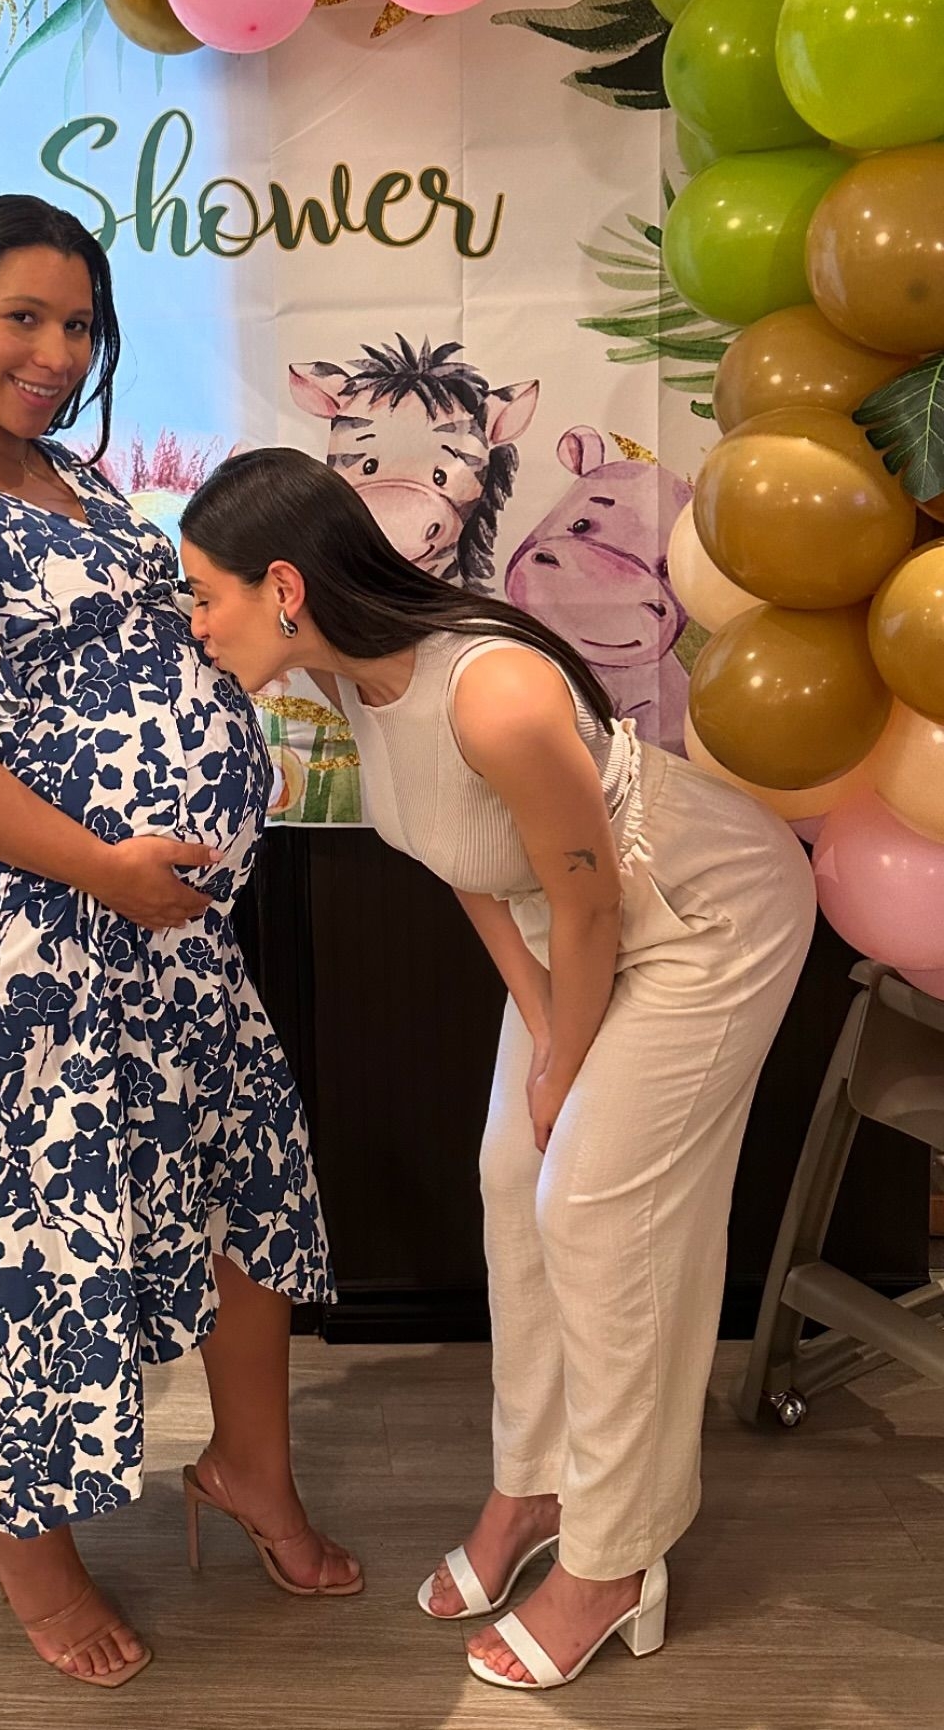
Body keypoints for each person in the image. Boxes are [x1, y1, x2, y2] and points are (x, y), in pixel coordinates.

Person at [0, 201, 359, 1693]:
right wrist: (103, 861)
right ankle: (28, 1556)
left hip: (153, 944)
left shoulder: (76, 481)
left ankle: (250, 1467)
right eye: (22, 317)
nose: (54, 352)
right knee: (7, 1249)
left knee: (241, 1185)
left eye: (79, 323)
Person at [177, 446, 815, 1693]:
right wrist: (536, 1022)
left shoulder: (494, 692)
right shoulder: (355, 677)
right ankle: (534, 1488)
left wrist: (562, 1062)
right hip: (576, 930)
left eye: (206, 594)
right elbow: (460, 854)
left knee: (598, 1208)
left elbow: (595, 902)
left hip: (707, 915)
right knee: (513, 1180)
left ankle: (616, 1555)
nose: (195, 624)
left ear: (285, 587)